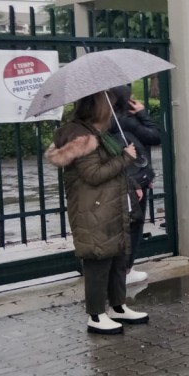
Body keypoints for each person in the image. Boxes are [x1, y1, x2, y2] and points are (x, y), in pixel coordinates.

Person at [45, 91, 148, 335]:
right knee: (98, 261)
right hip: (94, 209)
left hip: (109, 206)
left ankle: (117, 307)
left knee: (117, 257)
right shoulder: (79, 137)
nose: (113, 111)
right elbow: (93, 174)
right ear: (99, 107)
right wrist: (125, 158)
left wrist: (132, 185)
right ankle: (96, 314)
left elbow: (110, 167)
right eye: (109, 105)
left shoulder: (96, 133)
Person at [108, 85, 162, 285]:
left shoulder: (107, 120)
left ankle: (116, 269)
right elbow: (156, 136)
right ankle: (126, 269)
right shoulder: (127, 121)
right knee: (134, 224)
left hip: (121, 178)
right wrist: (143, 113)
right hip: (135, 180)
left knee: (119, 225)